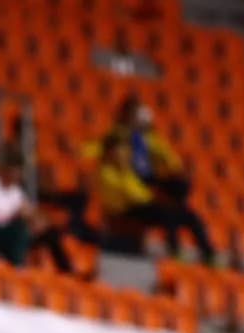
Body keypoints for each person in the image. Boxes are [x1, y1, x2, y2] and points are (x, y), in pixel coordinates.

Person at [92, 94, 217, 264]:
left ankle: (209, 254)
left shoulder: (145, 139)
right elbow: (129, 192)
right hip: (130, 206)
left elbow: (168, 160)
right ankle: (174, 250)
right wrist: (152, 194)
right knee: (167, 213)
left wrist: (171, 173)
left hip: (146, 191)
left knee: (190, 215)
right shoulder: (111, 159)